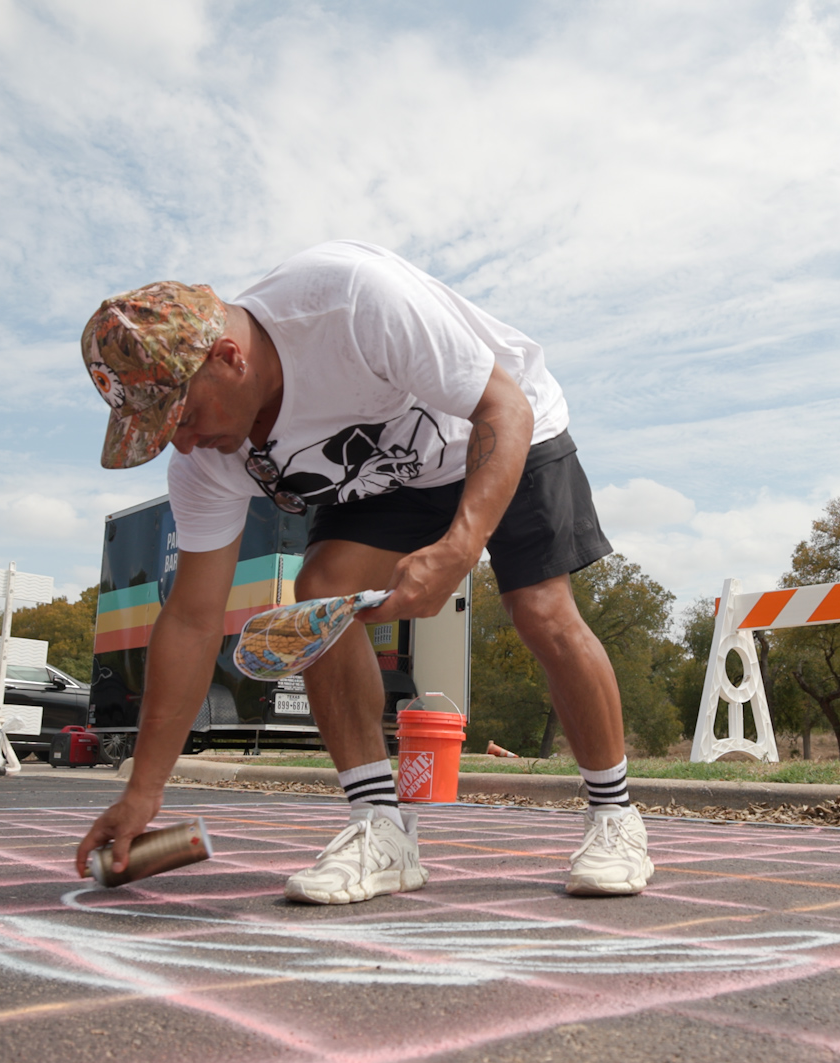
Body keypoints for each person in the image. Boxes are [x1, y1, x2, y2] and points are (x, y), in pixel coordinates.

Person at [72, 240, 652, 904]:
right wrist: (143, 790)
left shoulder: (352, 303)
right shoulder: (204, 462)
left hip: (495, 425)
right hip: (386, 478)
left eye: (183, 415)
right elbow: (192, 619)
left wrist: (461, 549)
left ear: (229, 358)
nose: (181, 442)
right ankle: (381, 829)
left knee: (539, 609)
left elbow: (505, 409)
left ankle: (615, 816)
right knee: (317, 595)